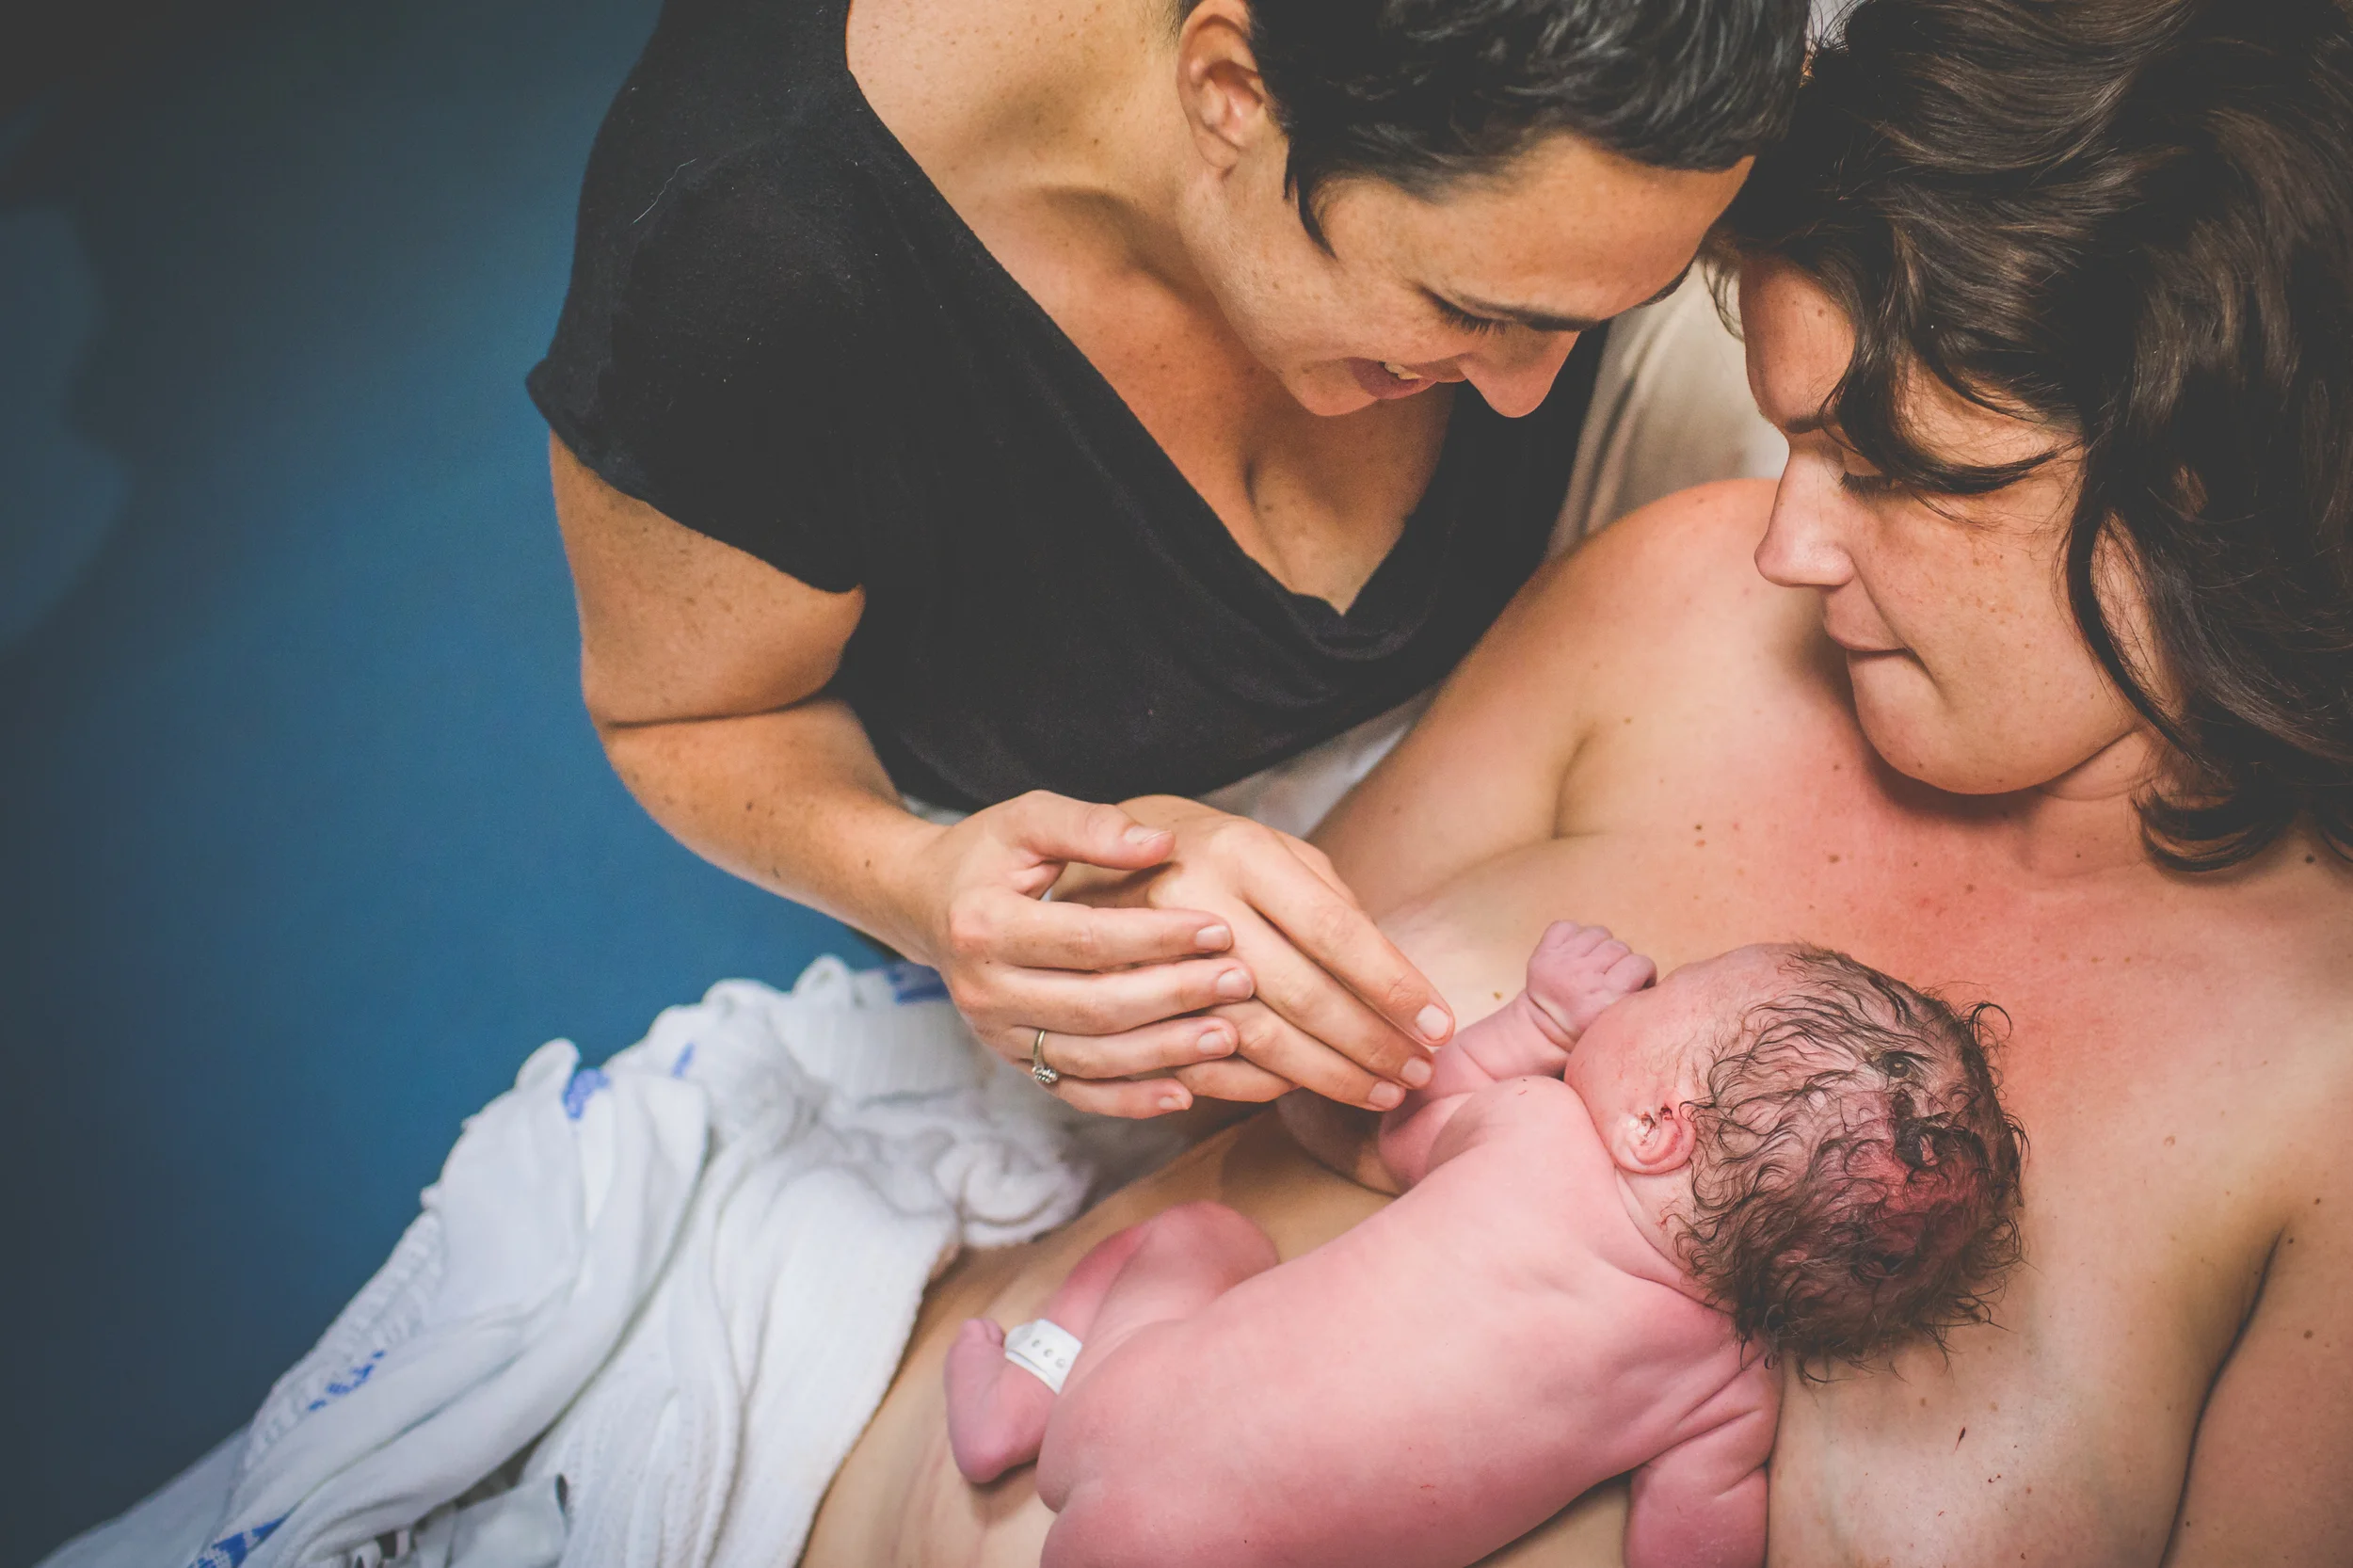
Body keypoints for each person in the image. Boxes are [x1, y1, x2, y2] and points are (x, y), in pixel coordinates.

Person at [799, 0, 2353, 1561]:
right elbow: (1185, 1081)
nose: (1788, 544)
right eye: (1791, 445)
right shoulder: (1690, 606)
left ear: (2194, 483)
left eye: (1885, 469)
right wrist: (1149, 930)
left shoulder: (2318, 1103)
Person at [529, 0, 1803, 1119]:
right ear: (1230, 91)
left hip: (1605, 547)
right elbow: (687, 718)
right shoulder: (756, 259)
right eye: (1467, 309)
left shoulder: (1659, 97)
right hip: (1137, 860)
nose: (1523, 395)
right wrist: (927, 885)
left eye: (1616, 303)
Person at [941, 924, 2023, 1568]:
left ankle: (1023, 1399)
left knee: (1200, 1233)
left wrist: (1542, 1022)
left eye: (1668, 992)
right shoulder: (1728, 1392)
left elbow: (1403, 1129)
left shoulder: (1535, 1132)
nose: (1641, 988)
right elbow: (1687, 1550)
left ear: (1656, 1127)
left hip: (1115, 1423)